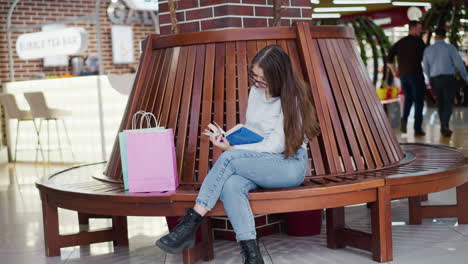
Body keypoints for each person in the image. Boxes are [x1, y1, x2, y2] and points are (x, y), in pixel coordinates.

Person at [155, 45, 320, 263]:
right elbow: (254, 131)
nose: (258, 84)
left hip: (288, 165)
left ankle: (190, 224)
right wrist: (230, 139)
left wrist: (233, 150)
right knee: (232, 185)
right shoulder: (256, 92)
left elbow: (274, 146)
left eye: (263, 79)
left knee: (229, 158)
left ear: (278, 77)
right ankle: (252, 255)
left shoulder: (293, 99)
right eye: (254, 77)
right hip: (262, 162)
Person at [422, 27, 468, 137]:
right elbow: (459, 64)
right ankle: (445, 125)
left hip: (435, 79)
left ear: (435, 36)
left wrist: (429, 77)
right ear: (445, 36)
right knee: (448, 102)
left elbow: (425, 66)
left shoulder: (428, 49)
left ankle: (444, 125)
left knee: (440, 102)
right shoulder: (450, 48)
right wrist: (465, 77)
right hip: (448, 79)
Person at [387, 20, 426, 136]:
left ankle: (404, 121)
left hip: (404, 76)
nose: (420, 30)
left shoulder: (401, 42)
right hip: (416, 74)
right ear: (413, 28)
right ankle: (417, 128)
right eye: (419, 28)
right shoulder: (419, 42)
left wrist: (394, 71)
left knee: (408, 99)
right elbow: (426, 58)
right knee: (419, 101)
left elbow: (389, 58)